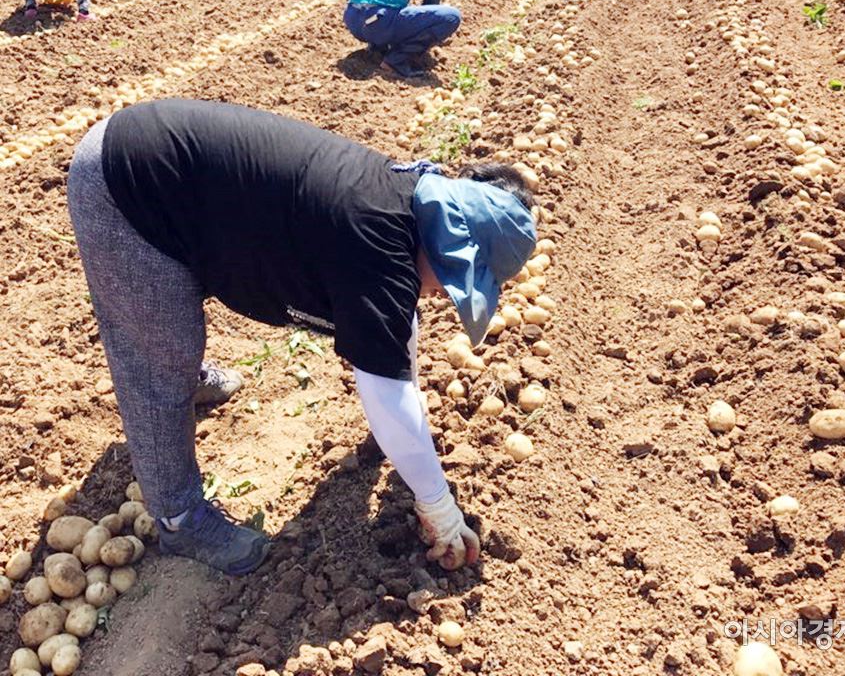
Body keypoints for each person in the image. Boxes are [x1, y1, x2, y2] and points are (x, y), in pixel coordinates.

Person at [67, 98, 537, 576]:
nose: (442, 294)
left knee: (170, 336)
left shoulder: (408, 207)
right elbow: (385, 390)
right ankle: (178, 517)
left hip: (174, 172)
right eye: (454, 280)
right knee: (159, 359)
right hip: (125, 186)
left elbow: (396, 343)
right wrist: (436, 503)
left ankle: (187, 382)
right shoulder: (378, 252)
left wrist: (408, 434)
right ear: (448, 247)